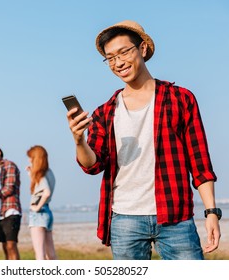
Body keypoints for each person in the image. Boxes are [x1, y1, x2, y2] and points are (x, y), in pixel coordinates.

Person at [65, 20, 221, 260]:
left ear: (143, 49)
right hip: (124, 218)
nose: (118, 62)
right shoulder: (105, 112)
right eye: (110, 58)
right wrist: (78, 140)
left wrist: (211, 212)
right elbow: (93, 165)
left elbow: (199, 161)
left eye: (124, 52)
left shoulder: (180, 99)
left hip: (175, 216)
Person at [26, 145, 57, 260]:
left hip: (39, 213)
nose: (29, 160)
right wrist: (31, 175)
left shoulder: (41, 174)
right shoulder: (49, 173)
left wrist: (37, 207)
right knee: (51, 254)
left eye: (31, 158)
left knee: (40, 255)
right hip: (47, 212)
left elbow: (46, 192)